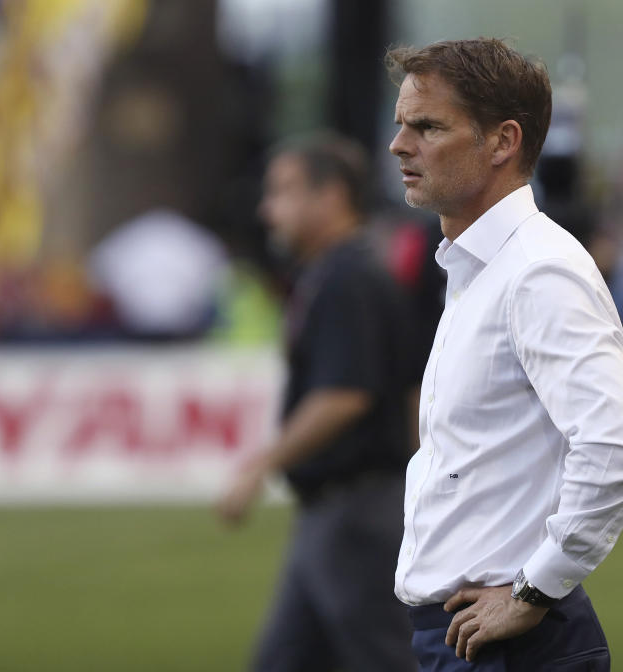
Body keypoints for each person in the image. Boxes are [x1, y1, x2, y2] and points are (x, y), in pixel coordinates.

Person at [385, 38, 623, 670]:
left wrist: (537, 586)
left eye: (427, 126)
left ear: (503, 141)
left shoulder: (538, 271)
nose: (400, 144)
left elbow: (617, 446)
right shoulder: (481, 267)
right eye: (401, 125)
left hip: (511, 640)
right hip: (469, 632)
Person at [218, 133, 417, 672]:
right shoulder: (339, 273)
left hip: (355, 512)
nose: (267, 209)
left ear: (330, 197)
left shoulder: (346, 279)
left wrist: (260, 465)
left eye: (282, 191)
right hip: (336, 514)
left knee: (384, 659)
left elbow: (344, 396)